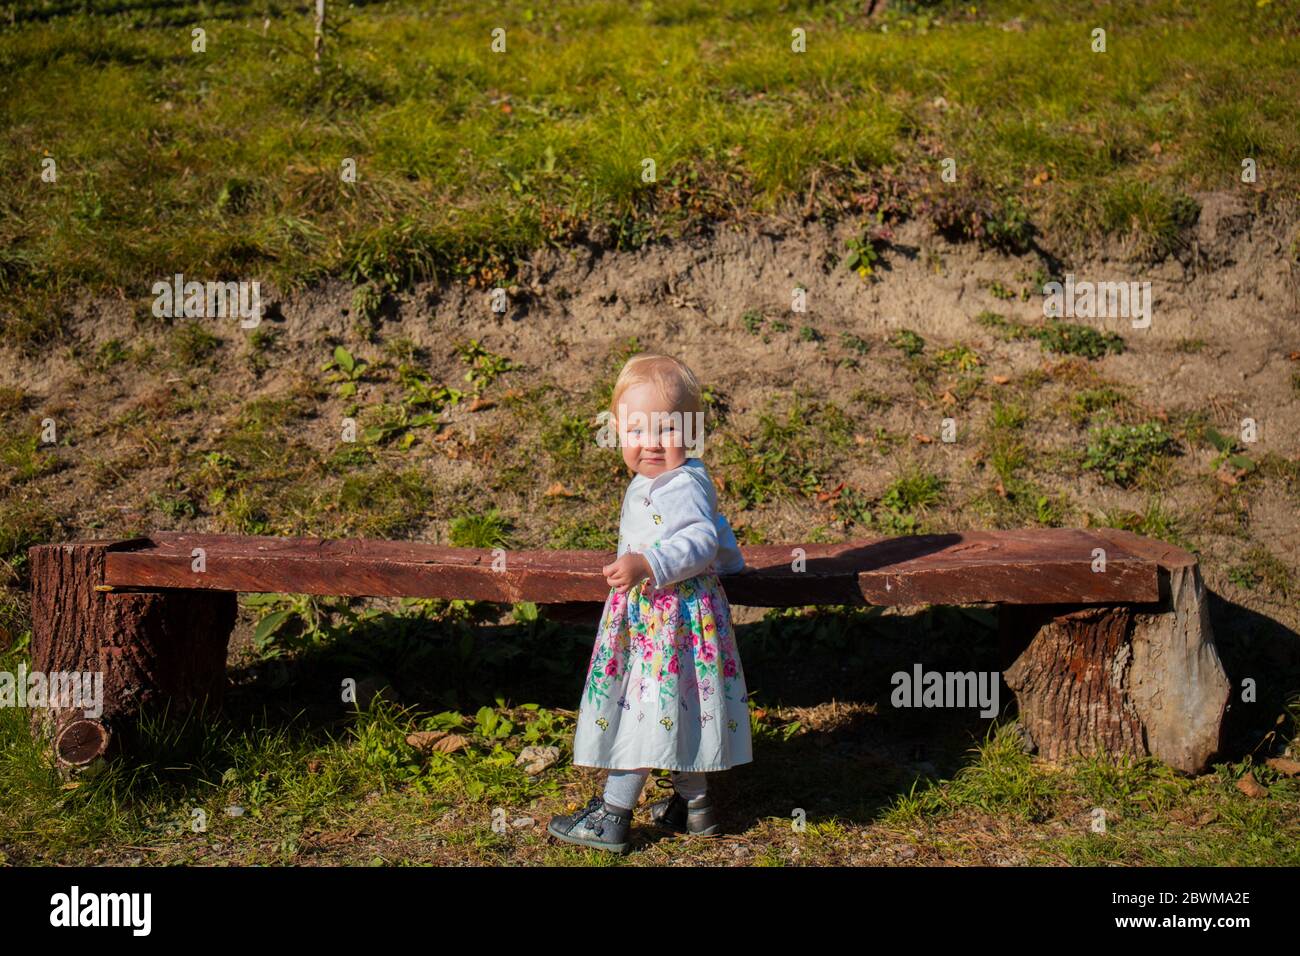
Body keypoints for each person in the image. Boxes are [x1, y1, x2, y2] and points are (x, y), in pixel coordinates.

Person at [546, 353, 752, 854]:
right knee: (674, 709)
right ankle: (694, 807)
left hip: (668, 618)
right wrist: (730, 557)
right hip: (662, 619)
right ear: (617, 431)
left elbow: (700, 538)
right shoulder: (656, 480)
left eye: (668, 429)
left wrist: (647, 564)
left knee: (641, 708)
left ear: (694, 432)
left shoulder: (683, 483)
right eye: (637, 430)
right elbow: (719, 538)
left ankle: (614, 814)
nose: (652, 443)